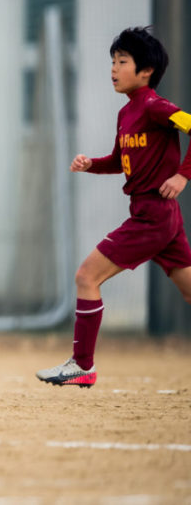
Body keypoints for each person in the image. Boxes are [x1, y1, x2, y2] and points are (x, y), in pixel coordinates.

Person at [37, 27, 191, 388]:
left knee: (86, 276)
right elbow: (121, 160)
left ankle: (82, 365)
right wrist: (92, 163)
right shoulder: (126, 114)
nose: (113, 69)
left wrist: (183, 176)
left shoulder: (155, 106)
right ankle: (81, 364)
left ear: (146, 70)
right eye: (112, 61)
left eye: (122, 61)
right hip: (154, 215)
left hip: (154, 215)